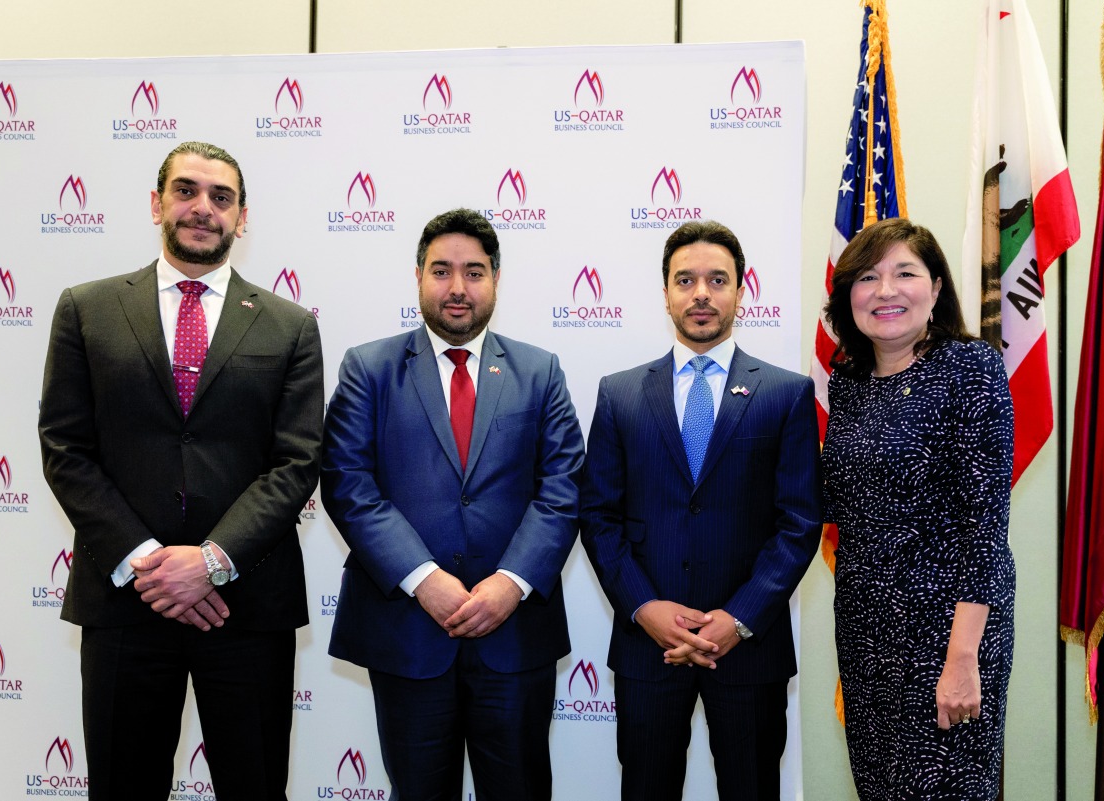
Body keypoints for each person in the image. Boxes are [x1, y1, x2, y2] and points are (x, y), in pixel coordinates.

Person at [38, 141, 324, 800]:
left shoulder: (288, 326)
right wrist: (149, 561)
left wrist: (212, 559)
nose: (203, 208)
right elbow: (64, 447)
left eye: (221, 197)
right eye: (187, 191)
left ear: (242, 217)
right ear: (156, 202)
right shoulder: (87, 308)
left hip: (246, 606)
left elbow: (297, 459)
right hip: (125, 604)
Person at [320, 208, 583, 801]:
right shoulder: (369, 368)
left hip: (514, 636)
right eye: (442, 271)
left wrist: (511, 582)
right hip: (407, 633)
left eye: (474, 272)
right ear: (417, 276)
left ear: (495, 280)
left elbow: (563, 485)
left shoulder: (540, 372)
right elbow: (346, 482)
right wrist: (423, 578)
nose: (458, 287)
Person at [579, 220, 822, 801]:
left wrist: (736, 619)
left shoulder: (786, 394)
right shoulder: (619, 393)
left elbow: (800, 523)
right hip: (648, 647)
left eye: (718, 279)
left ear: (743, 290)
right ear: (664, 292)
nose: (701, 294)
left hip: (748, 649)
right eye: (685, 280)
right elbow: (598, 515)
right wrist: (644, 607)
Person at [821, 217, 1015, 799]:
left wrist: (961, 659)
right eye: (867, 277)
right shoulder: (848, 381)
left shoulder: (971, 370)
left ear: (935, 289)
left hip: (945, 635)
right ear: (846, 296)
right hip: (865, 633)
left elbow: (985, 531)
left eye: (905, 273)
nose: (885, 291)